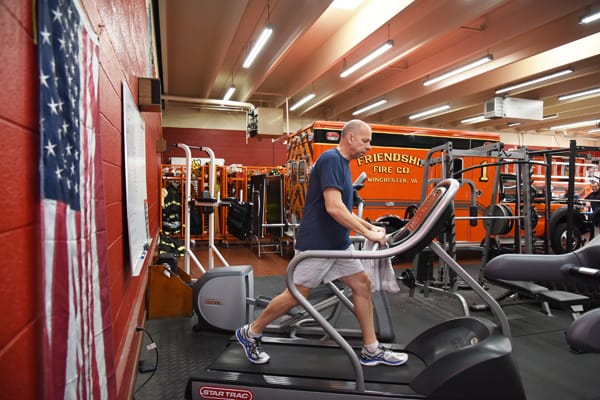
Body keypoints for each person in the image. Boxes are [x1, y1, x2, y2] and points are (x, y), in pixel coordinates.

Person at [235, 119, 408, 366]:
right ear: (349, 137)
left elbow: (344, 209)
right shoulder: (331, 160)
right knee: (296, 294)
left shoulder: (343, 164)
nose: (369, 147)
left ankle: (371, 349)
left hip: (337, 244)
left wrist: (371, 227)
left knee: (362, 284)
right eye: (365, 140)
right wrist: (368, 234)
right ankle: (250, 332)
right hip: (317, 245)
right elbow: (334, 208)